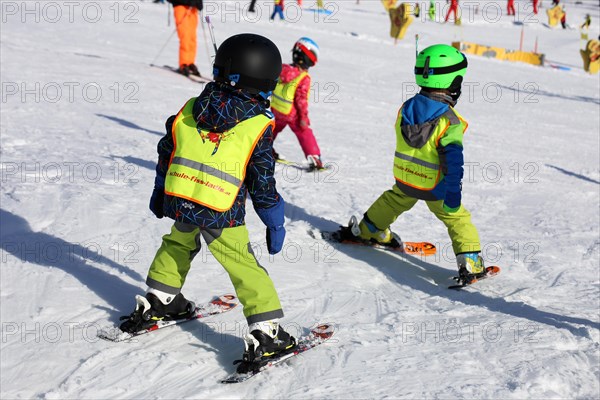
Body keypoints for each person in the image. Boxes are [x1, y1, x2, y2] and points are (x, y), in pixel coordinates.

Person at [119, 33, 297, 367]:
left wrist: (160, 191)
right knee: (243, 264)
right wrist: (274, 220)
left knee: (178, 243)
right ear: (264, 81)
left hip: (183, 197)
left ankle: (161, 298)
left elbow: (166, 150)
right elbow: (262, 180)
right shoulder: (257, 123)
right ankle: (266, 332)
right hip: (221, 210)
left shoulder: (190, 107)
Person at [338, 44, 488, 286]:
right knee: (457, 218)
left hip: (406, 178)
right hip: (435, 186)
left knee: (392, 200)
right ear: (450, 81)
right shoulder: (450, 121)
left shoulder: (406, 107)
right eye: (459, 80)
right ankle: (470, 261)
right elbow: (453, 161)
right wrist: (453, 191)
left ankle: (368, 231)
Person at [271, 37, 324, 170]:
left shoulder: (282, 69)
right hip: (292, 113)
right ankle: (314, 157)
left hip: (276, 109)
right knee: (304, 131)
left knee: (270, 130)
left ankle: (262, 149)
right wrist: (303, 118)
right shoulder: (303, 77)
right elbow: (301, 100)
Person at [167, 0, 203, 77]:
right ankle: (183, 63)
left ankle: (190, 62)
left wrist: (199, 3)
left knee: (192, 37)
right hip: (180, 6)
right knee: (185, 36)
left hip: (193, 8)